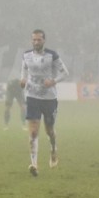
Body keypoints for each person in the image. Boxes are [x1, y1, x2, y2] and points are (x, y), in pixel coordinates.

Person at [20, 29, 69, 177]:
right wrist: (22, 80)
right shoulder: (26, 55)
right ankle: (34, 164)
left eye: (38, 40)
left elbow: (65, 73)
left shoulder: (52, 55)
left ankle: (53, 149)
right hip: (32, 96)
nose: (36, 42)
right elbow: (23, 71)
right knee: (33, 131)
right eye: (33, 40)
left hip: (49, 98)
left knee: (49, 130)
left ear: (44, 40)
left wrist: (53, 81)